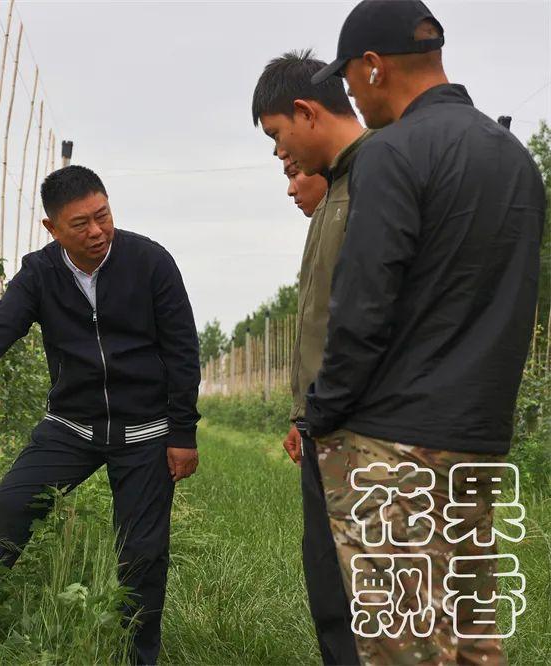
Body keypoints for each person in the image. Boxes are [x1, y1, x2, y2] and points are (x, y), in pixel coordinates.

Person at [0, 165, 201, 665]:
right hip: (71, 425)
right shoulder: (41, 272)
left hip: (146, 433)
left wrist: (183, 432)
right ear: (53, 228)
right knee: (6, 508)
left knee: (143, 553)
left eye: (103, 216)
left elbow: (183, 349)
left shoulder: (150, 262)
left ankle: (138, 656)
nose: (97, 232)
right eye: (81, 224)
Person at [306, 1, 546, 664]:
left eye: (351, 79)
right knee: (470, 641)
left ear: (375, 66)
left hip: (395, 447)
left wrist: (322, 412)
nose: (350, 94)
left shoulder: (392, 153)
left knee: (404, 643)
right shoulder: (518, 163)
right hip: (476, 443)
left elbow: (362, 310)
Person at [252, 49, 366, 666]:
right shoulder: (332, 207)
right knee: (328, 582)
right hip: (328, 423)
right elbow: (321, 327)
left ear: (304, 111)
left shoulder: (377, 181)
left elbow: (365, 323)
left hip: (364, 429)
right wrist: (305, 414)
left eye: (277, 138)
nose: (282, 161)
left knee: (368, 591)